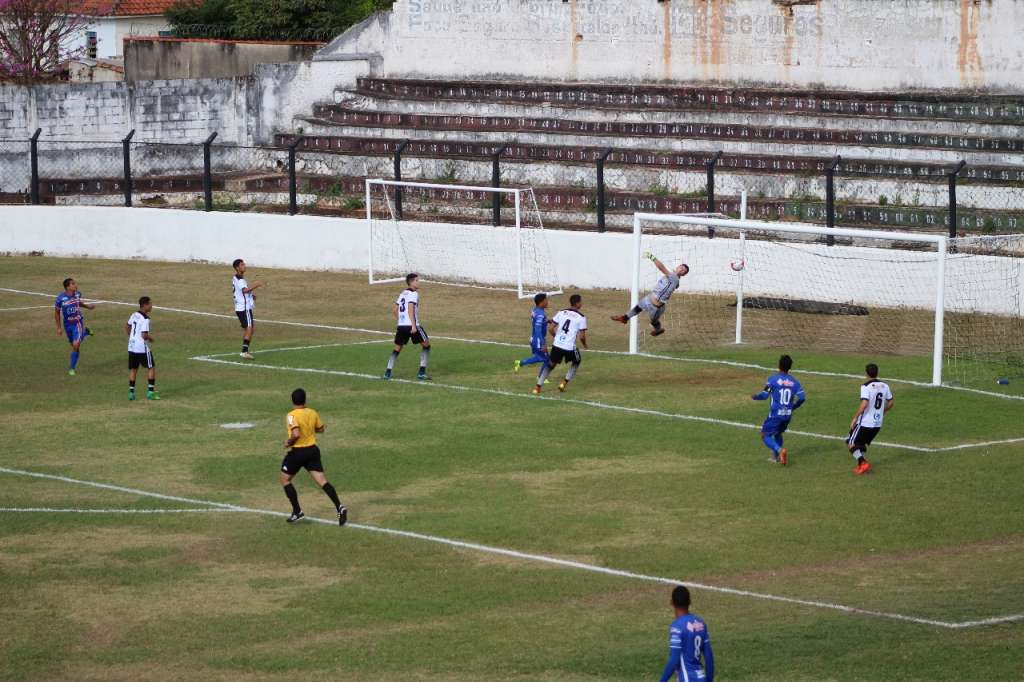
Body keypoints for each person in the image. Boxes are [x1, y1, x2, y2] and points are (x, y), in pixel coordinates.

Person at [280, 388, 348, 526]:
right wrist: (310, 429)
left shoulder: (291, 415)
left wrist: (289, 442)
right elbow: (321, 429)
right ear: (305, 400)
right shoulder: (312, 412)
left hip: (298, 452)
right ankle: (340, 507)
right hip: (312, 451)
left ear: (292, 400)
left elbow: (296, 433)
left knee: (285, 480)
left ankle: (297, 511)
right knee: (323, 481)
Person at [611, 253, 689, 337]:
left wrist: (651, 257)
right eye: (681, 267)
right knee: (638, 307)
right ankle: (624, 318)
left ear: (683, 274)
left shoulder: (674, 277)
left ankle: (658, 330)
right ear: (677, 267)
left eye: (683, 270)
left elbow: (661, 267)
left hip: (656, 307)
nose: (681, 270)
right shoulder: (673, 278)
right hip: (649, 298)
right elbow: (675, 286)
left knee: (654, 322)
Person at [751, 354, 806, 465]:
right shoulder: (795, 382)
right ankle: (775, 458)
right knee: (778, 433)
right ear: (790, 367)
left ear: (779, 366)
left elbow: (764, 395)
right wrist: (793, 406)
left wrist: (754, 397)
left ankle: (780, 450)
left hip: (776, 414)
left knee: (764, 435)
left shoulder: (773, 379)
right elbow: (802, 398)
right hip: (787, 415)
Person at [658, 585, 715, 682]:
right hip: (701, 678)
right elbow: (709, 656)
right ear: (689, 602)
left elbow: (674, 659)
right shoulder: (701, 623)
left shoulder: (677, 627)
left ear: (672, 602)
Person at [534, 293, 587, 394]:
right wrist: (585, 345)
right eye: (581, 301)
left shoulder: (561, 312)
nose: (582, 303)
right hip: (569, 347)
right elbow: (582, 336)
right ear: (577, 303)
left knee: (551, 364)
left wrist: (557, 338)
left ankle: (537, 387)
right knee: (577, 361)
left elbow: (550, 329)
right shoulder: (581, 317)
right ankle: (564, 383)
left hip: (557, 344)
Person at [848, 363, 894, 475]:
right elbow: (891, 402)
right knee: (861, 443)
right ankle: (861, 466)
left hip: (865, 423)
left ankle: (863, 462)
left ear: (866, 373)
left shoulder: (865, 386)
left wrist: (855, 418)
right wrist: (882, 412)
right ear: (877, 372)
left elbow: (864, 404)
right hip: (877, 424)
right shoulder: (885, 386)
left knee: (850, 442)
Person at [384, 273, 431, 381]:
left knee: (397, 349)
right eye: (417, 280)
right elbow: (410, 309)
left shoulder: (402, 293)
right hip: (412, 325)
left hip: (401, 326)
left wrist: (401, 321)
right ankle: (421, 373)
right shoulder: (414, 294)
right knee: (426, 345)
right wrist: (413, 326)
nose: (419, 282)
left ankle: (387, 373)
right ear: (411, 282)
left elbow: (394, 310)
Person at [53, 277, 95, 376]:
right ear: (67, 287)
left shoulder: (77, 294)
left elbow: (78, 302)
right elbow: (57, 313)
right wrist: (59, 328)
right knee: (74, 345)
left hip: (77, 323)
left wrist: (87, 306)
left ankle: (72, 368)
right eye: (73, 284)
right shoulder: (60, 299)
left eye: (75, 283)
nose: (75, 285)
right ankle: (86, 332)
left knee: (76, 345)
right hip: (67, 325)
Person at [126, 296, 159, 401]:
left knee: (133, 369)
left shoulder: (134, 314)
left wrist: (132, 337)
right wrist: (151, 339)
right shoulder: (145, 319)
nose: (151, 306)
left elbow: (127, 326)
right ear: (144, 305)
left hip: (131, 346)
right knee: (151, 367)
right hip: (141, 347)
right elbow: (144, 335)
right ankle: (150, 392)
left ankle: (131, 393)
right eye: (150, 304)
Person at [514, 292, 553, 376]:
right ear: (541, 302)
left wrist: (546, 321)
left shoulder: (535, 310)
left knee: (540, 357)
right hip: (538, 339)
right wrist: (543, 343)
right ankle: (541, 378)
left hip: (534, 338)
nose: (547, 302)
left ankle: (520, 363)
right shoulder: (540, 314)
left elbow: (537, 322)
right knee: (546, 358)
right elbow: (538, 329)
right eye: (546, 300)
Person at [232, 259, 263, 359]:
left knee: (250, 329)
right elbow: (244, 290)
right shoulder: (240, 279)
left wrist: (251, 295)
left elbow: (240, 292)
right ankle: (244, 352)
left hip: (239, 308)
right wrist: (256, 285)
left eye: (244, 264)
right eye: (242, 265)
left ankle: (245, 350)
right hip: (244, 308)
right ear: (237, 267)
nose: (244, 266)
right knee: (250, 328)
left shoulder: (237, 278)